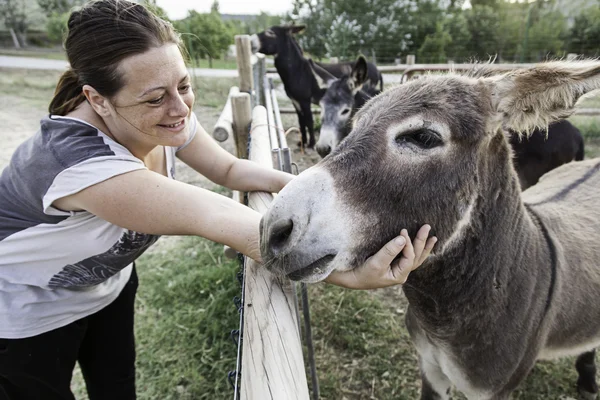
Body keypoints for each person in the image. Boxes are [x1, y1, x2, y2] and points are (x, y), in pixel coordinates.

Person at [0, 0, 437, 399]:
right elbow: (212, 214)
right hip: (26, 315)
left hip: (107, 288)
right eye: (156, 97)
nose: (180, 109)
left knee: (117, 388)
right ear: (98, 100)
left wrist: (315, 192)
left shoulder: (157, 118)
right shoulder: (82, 164)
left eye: (184, 85)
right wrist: (350, 276)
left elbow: (228, 170)